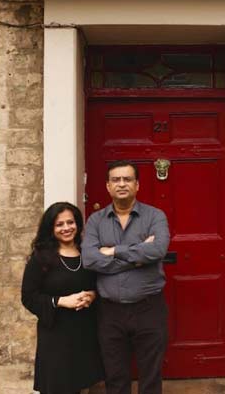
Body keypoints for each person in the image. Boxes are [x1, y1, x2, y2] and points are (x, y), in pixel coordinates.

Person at [81, 161, 171, 394]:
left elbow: (158, 250)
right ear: (108, 186)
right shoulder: (95, 221)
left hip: (149, 308)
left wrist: (113, 251)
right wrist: (138, 255)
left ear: (137, 185)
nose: (122, 184)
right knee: (115, 375)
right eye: (116, 180)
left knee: (150, 375)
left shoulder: (155, 216)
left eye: (127, 179)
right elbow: (90, 259)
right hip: (110, 311)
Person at [21, 202, 105, 394]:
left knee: (85, 385)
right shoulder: (40, 258)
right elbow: (28, 297)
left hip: (85, 332)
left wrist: (93, 295)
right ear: (51, 227)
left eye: (71, 222)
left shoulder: (88, 253)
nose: (66, 228)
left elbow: (99, 284)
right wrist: (60, 301)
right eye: (59, 224)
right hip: (56, 335)